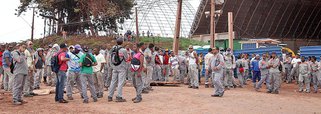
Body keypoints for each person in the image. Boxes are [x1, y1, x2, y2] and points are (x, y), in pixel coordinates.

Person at [108, 38, 128, 102]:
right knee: (120, 82)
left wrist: (111, 65)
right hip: (121, 68)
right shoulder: (123, 50)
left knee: (113, 82)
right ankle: (119, 96)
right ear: (122, 42)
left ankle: (110, 96)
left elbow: (110, 55)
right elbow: (126, 58)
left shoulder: (113, 48)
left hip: (114, 67)